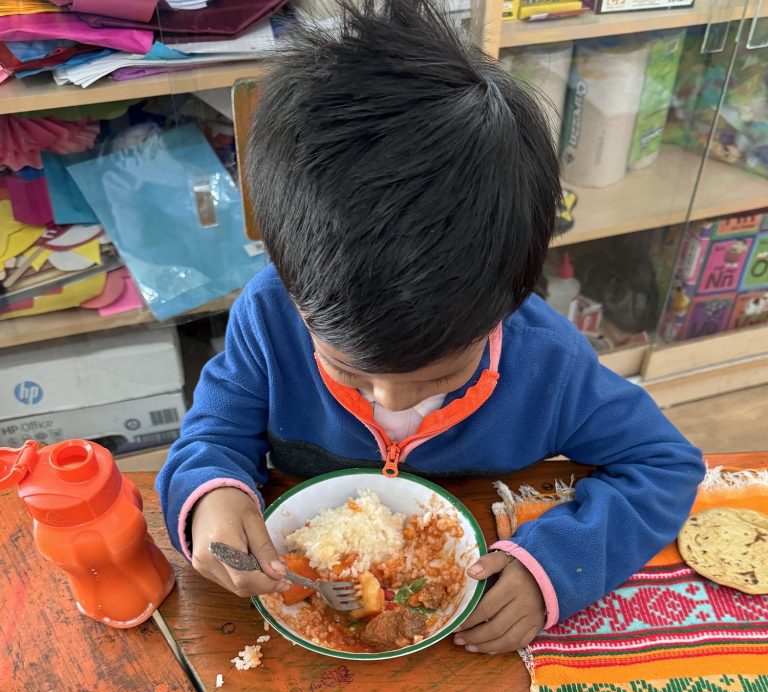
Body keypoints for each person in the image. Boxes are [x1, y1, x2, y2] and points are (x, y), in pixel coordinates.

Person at [157, 0, 705, 654]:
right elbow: (215, 431)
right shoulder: (269, 317)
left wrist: (556, 567)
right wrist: (208, 497)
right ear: (294, 289)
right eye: (351, 370)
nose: (390, 399)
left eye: (440, 375)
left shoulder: (548, 365)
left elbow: (665, 463)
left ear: (510, 300)